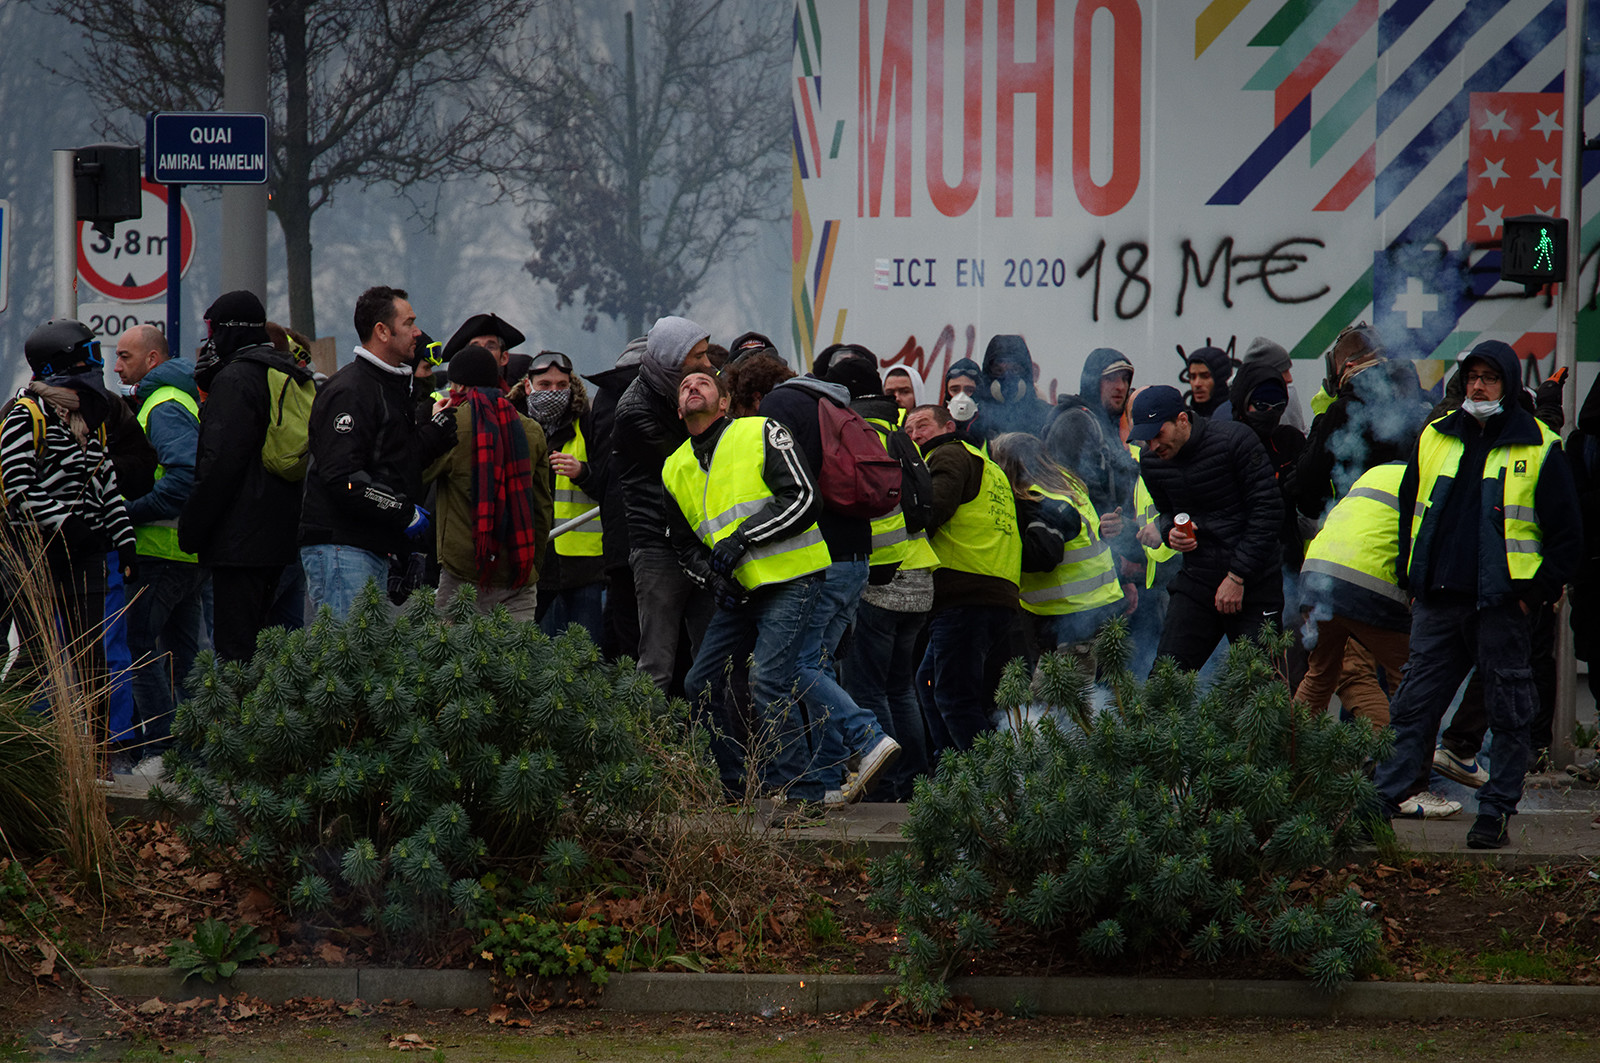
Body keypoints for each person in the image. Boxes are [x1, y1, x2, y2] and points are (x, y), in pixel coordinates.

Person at [1373, 340, 1582, 848]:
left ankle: (1494, 815)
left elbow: (1568, 537)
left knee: (1510, 714)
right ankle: (1379, 803)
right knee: (1412, 708)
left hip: (1501, 607)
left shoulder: (1540, 446)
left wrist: (1532, 593)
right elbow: (1410, 512)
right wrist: (1412, 578)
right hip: (1439, 603)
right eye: (1472, 376)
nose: (1478, 386)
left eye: (1489, 378)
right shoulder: (1435, 437)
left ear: (1509, 385)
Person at [663, 368, 831, 823]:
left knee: (768, 682)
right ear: (679, 409)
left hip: (793, 577)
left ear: (724, 403)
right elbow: (683, 543)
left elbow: (804, 497)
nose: (692, 387)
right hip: (739, 592)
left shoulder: (760, 429)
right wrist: (712, 580)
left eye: (704, 382)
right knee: (699, 683)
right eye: (684, 386)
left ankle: (803, 794)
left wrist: (743, 538)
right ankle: (735, 786)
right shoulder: (674, 465)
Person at [758, 351, 901, 804]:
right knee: (817, 664)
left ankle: (866, 737)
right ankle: (827, 778)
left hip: (824, 556)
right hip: (858, 557)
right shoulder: (839, 405)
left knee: (794, 664)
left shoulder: (781, 407)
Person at [1, 319, 136, 759]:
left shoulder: (87, 416)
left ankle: (98, 756)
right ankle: (16, 743)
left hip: (87, 554)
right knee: (38, 656)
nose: (95, 364)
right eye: (87, 355)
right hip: (35, 553)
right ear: (59, 364)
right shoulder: (25, 414)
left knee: (92, 658)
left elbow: (106, 483)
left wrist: (123, 537)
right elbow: (17, 486)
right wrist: (65, 524)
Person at [299, 286, 452, 618]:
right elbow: (344, 478)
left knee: (364, 661)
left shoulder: (390, 387)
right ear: (382, 331)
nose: (418, 333)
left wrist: (439, 430)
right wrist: (401, 510)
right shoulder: (351, 390)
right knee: (345, 659)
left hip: (370, 546)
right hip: (342, 548)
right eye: (409, 323)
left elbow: (393, 461)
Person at [180, 291, 316, 660]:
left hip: (239, 542)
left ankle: (240, 719)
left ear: (229, 329)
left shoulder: (236, 378)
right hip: (281, 536)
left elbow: (219, 463)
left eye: (213, 328)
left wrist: (191, 529)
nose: (209, 339)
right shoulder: (283, 370)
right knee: (277, 652)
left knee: (237, 653)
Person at [1129, 385, 1283, 672]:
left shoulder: (1235, 440)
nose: (1153, 447)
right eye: (1145, 439)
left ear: (1182, 420)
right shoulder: (1152, 463)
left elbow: (1269, 513)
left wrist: (1237, 577)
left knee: (1261, 688)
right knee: (1165, 680)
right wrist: (1169, 533)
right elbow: (1167, 513)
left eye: (1157, 434)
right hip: (1198, 580)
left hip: (1255, 581)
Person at [904, 403, 1027, 750]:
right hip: (993, 594)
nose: (914, 435)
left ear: (947, 426)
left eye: (922, 425)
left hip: (966, 595)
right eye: (909, 430)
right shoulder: (986, 465)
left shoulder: (947, 455)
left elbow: (932, 510)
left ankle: (989, 786)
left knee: (953, 697)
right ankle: (956, 778)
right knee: (929, 682)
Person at [113, 324, 205, 763]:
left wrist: (128, 513)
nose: (116, 366)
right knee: (186, 658)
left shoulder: (163, 404)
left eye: (125, 356)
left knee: (137, 646)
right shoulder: (178, 398)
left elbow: (183, 479)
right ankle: (196, 755)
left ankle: (162, 750)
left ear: (153, 360)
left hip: (158, 553)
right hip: (185, 552)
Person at [612, 316, 718, 694]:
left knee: (712, 659)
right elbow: (687, 465)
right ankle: (648, 748)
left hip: (701, 540)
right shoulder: (633, 411)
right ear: (674, 362)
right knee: (656, 664)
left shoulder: (688, 390)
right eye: (699, 357)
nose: (708, 365)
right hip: (658, 544)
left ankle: (712, 745)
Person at [423, 345, 551, 619]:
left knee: (453, 659)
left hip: (462, 573)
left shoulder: (450, 425)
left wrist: (431, 423)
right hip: (519, 576)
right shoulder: (531, 430)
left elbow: (418, 474)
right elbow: (541, 508)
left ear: (457, 385)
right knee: (514, 660)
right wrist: (531, 566)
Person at [991, 432, 1124, 654]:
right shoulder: (1066, 484)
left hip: (1068, 614)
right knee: (1102, 685)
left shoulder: (1035, 498)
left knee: (1065, 687)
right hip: (1099, 602)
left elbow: (1043, 554)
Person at [521, 350, 606, 643]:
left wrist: (583, 472)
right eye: (545, 385)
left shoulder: (588, 425)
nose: (554, 392)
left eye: (561, 386)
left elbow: (610, 486)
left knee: (587, 656)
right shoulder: (513, 424)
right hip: (529, 562)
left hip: (584, 566)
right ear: (528, 386)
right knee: (526, 654)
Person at [583, 337, 645, 660]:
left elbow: (600, 471)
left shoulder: (604, 399)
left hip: (617, 542)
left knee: (626, 637)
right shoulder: (658, 394)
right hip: (658, 544)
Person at [978, 334, 1052, 439]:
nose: (1007, 378)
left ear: (1027, 373)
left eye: (1015, 370)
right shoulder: (976, 417)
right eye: (999, 370)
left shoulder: (1046, 418)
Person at [441, 312, 525, 378]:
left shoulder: (517, 398)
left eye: (490, 347)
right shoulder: (446, 399)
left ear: (504, 358)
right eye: (474, 348)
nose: (482, 353)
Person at [1182, 344, 1233, 419]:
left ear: (1220, 379)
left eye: (1205, 376)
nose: (1197, 384)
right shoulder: (1185, 421)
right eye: (1192, 377)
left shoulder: (1235, 417)